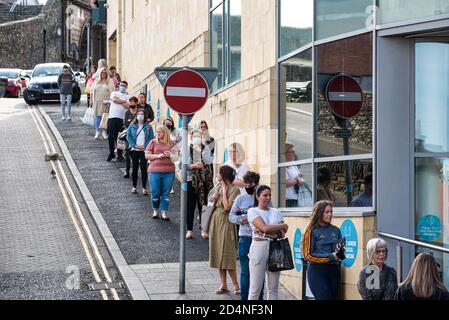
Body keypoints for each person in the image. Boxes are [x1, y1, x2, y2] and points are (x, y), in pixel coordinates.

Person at [247, 185, 288, 300]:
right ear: (257, 197)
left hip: (276, 247)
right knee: (255, 288)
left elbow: (282, 233)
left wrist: (268, 232)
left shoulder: (276, 211)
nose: (268, 198)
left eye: (269, 195)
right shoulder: (253, 211)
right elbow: (264, 228)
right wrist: (283, 225)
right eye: (265, 195)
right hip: (259, 248)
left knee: (273, 288)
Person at [229, 171, 265, 301]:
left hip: (261, 238)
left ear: (257, 184)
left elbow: (270, 214)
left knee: (260, 271)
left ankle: (259, 299)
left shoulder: (262, 197)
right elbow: (231, 216)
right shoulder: (240, 198)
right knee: (245, 271)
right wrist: (240, 219)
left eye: (251, 184)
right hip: (245, 237)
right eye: (246, 184)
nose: (248, 186)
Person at [302, 200, 345, 300]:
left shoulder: (336, 230)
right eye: (326, 212)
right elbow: (308, 256)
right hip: (317, 271)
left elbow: (340, 254)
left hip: (334, 270)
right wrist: (330, 257)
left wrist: (340, 253)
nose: (330, 215)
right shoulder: (310, 230)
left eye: (331, 212)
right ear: (319, 213)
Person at [208, 165, 241, 295]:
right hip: (215, 220)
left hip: (227, 221)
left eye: (219, 173)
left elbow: (228, 207)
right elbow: (210, 202)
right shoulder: (216, 187)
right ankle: (223, 285)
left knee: (227, 253)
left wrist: (225, 191)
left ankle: (236, 285)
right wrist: (215, 197)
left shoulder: (235, 190)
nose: (217, 175)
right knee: (217, 252)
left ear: (224, 175)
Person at [185, 129, 214, 239]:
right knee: (190, 206)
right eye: (195, 136)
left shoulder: (205, 148)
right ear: (191, 138)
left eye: (199, 136)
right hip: (191, 180)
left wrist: (203, 151)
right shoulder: (187, 149)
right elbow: (181, 165)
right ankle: (189, 230)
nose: (197, 138)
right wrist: (192, 166)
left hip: (204, 181)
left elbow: (210, 160)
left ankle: (204, 229)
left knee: (203, 206)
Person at [145, 125, 178, 221]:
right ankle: (155, 210)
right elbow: (147, 155)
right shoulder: (153, 142)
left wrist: (170, 155)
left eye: (160, 132)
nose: (158, 134)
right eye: (157, 132)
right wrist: (157, 156)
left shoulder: (172, 143)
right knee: (155, 192)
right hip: (154, 170)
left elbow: (177, 157)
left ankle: (164, 212)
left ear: (165, 133)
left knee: (165, 193)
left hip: (169, 171)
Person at [127, 110, 154, 195]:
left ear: (144, 116)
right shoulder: (132, 126)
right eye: (139, 114)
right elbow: (129, 137)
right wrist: (134, 145)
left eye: (142, 114)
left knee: (143, 169)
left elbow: (151, 137)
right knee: (134, 168)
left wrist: (144, 146)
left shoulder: (148, 127)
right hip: (134, 150)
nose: (140, 116)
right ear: (136, 116)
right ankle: (134, 187)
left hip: (144, 150)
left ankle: (144, 188)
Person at [107, 81, 129, 162]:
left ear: (127, 87)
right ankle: (111, 152)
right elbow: (114, 100)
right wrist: (123, 101)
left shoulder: (128, 96)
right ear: (119, 86)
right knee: (111, 136)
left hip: (122, 119)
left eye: (124, 86)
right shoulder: (114, 93)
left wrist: (119, 100)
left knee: (120, 137)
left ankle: (119, 155)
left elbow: (128, 106)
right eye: (121, 85)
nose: (122, 87)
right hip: (112, 117)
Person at [92, 67, 114, 140]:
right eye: (102, 73)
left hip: (106, 102)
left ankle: (104, 132)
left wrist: (110, 102)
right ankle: (97, 132)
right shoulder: (96, 81)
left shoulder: (110, 81)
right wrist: (91, 101)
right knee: (97, 117)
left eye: (105, 73)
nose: (103, 74)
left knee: (105, 117)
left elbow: (112, 92)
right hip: (97, 102)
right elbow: (92, 91)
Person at [284, 143, 307, 207]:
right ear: (286, 153)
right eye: (292, 152)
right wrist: (297, 180)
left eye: (294, 152)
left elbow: (300, 178)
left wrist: (299, 178)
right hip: (288, 198)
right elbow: (284, 183)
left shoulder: (293, 164)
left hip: (296, 196)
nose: (294, 154)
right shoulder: (283, 166)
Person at [123, 97, 140, 178]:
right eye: (130, 102)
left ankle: (134, 171)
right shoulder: (127, 112)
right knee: (127, 153)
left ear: (136, 103)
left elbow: (140, 123)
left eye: (132, 102)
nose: (131, 104)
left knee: (135, 155)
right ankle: (127, 171)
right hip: (128, 136)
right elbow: (125, 123)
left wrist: (131, 123)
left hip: (138, 136)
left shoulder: (139, 113)